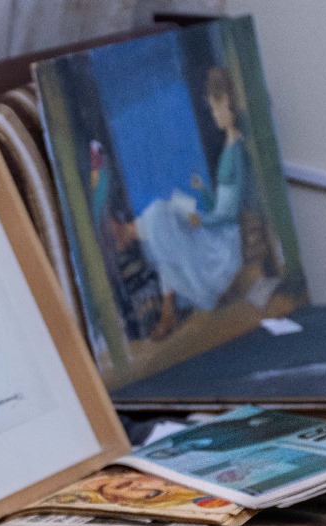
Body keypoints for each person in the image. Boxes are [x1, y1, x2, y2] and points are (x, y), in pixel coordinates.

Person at [116, 67, 252, 337]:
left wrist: (200, 220)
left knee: (164, 226)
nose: (215, 115)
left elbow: (228, 215)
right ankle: (139, 230)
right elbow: (218, 205)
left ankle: (168, 309)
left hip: (224, 239)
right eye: (213, 109)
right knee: (167, 221)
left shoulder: (235, 151)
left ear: (230, 105)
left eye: (217, 108)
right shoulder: (229, 146)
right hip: (215, 227)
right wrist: (202, 191)